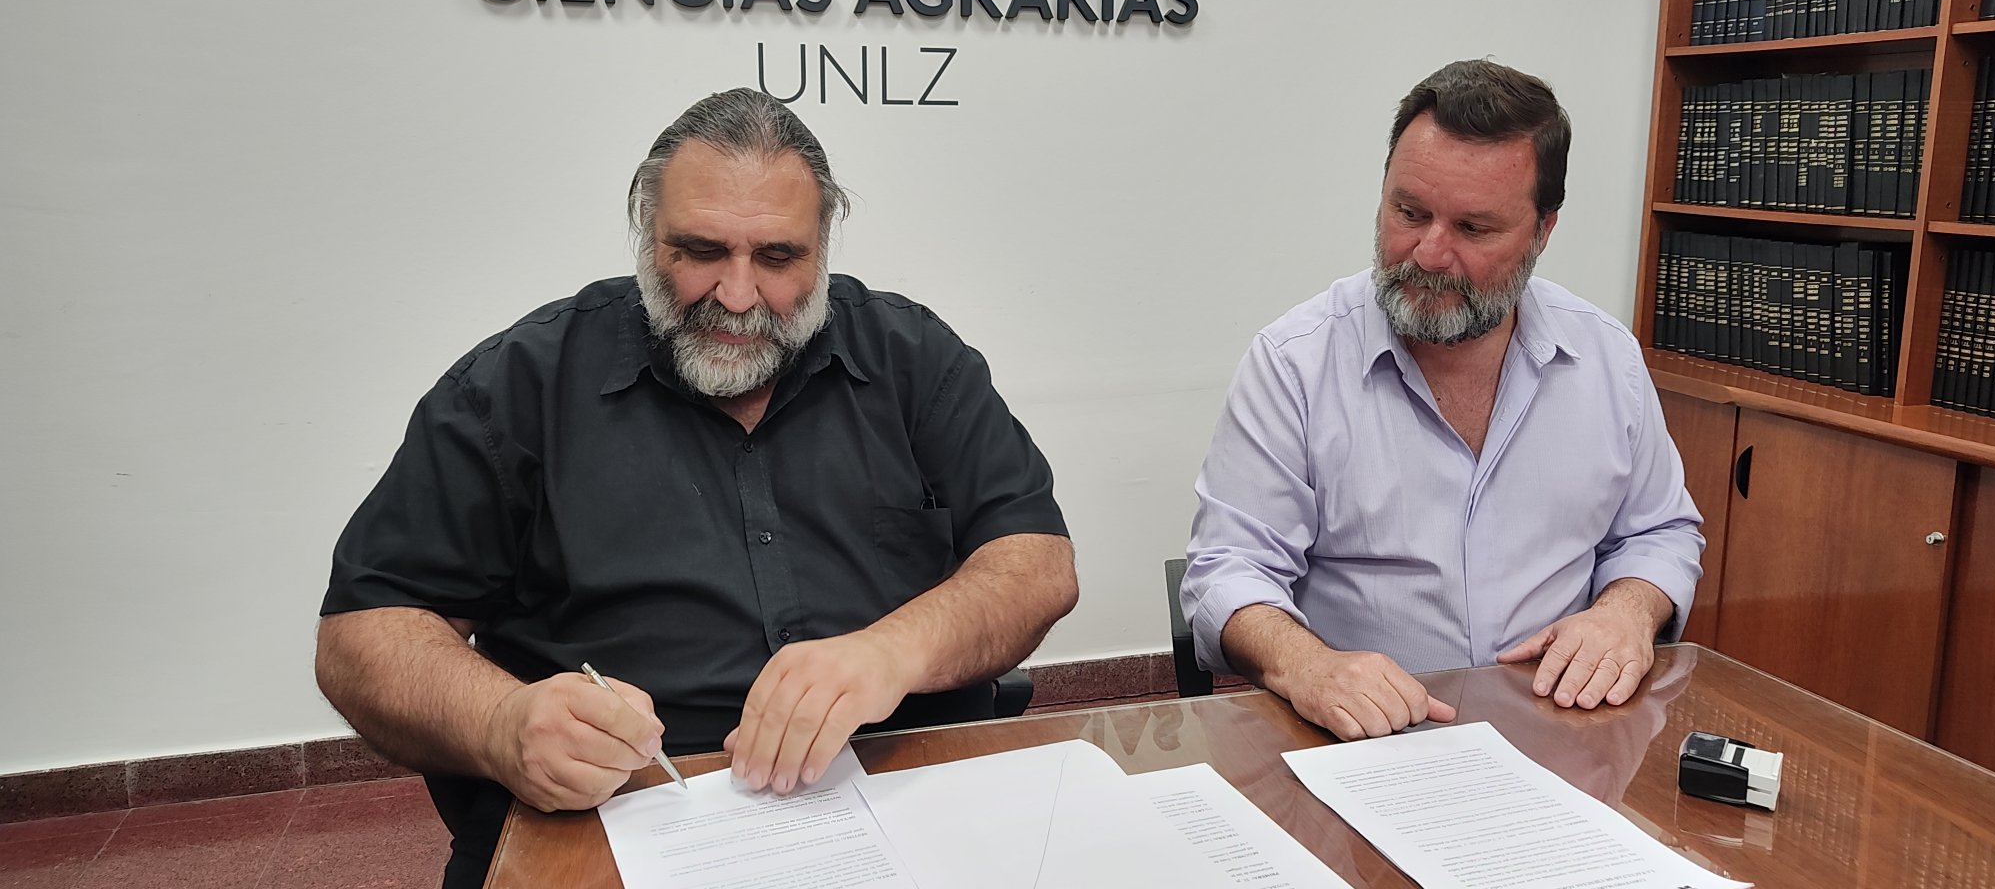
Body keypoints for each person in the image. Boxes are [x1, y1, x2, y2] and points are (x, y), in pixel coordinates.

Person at [315, 88, 1078, 889]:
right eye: (701, 251)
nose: (738, 296)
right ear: (647, 233)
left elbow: (1035, 562)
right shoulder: (517, 387)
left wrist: (895, 650)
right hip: (627, 817)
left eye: (777, 258)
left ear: (822, 248)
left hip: (906, 797)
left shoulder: (912, 358)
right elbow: (364, 634)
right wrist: (500, 723)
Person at [1180, 59, 1702, 742]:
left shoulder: (1606, 359)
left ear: (1543, 230)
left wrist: (1626, 612)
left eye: (1473, 228)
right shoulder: (1296, 363)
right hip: (1365, 740)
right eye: (1410, 213)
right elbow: (1228, 568)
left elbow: (1659, 531)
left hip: (1563, 732)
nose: (1428, 253)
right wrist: (1307, 666)